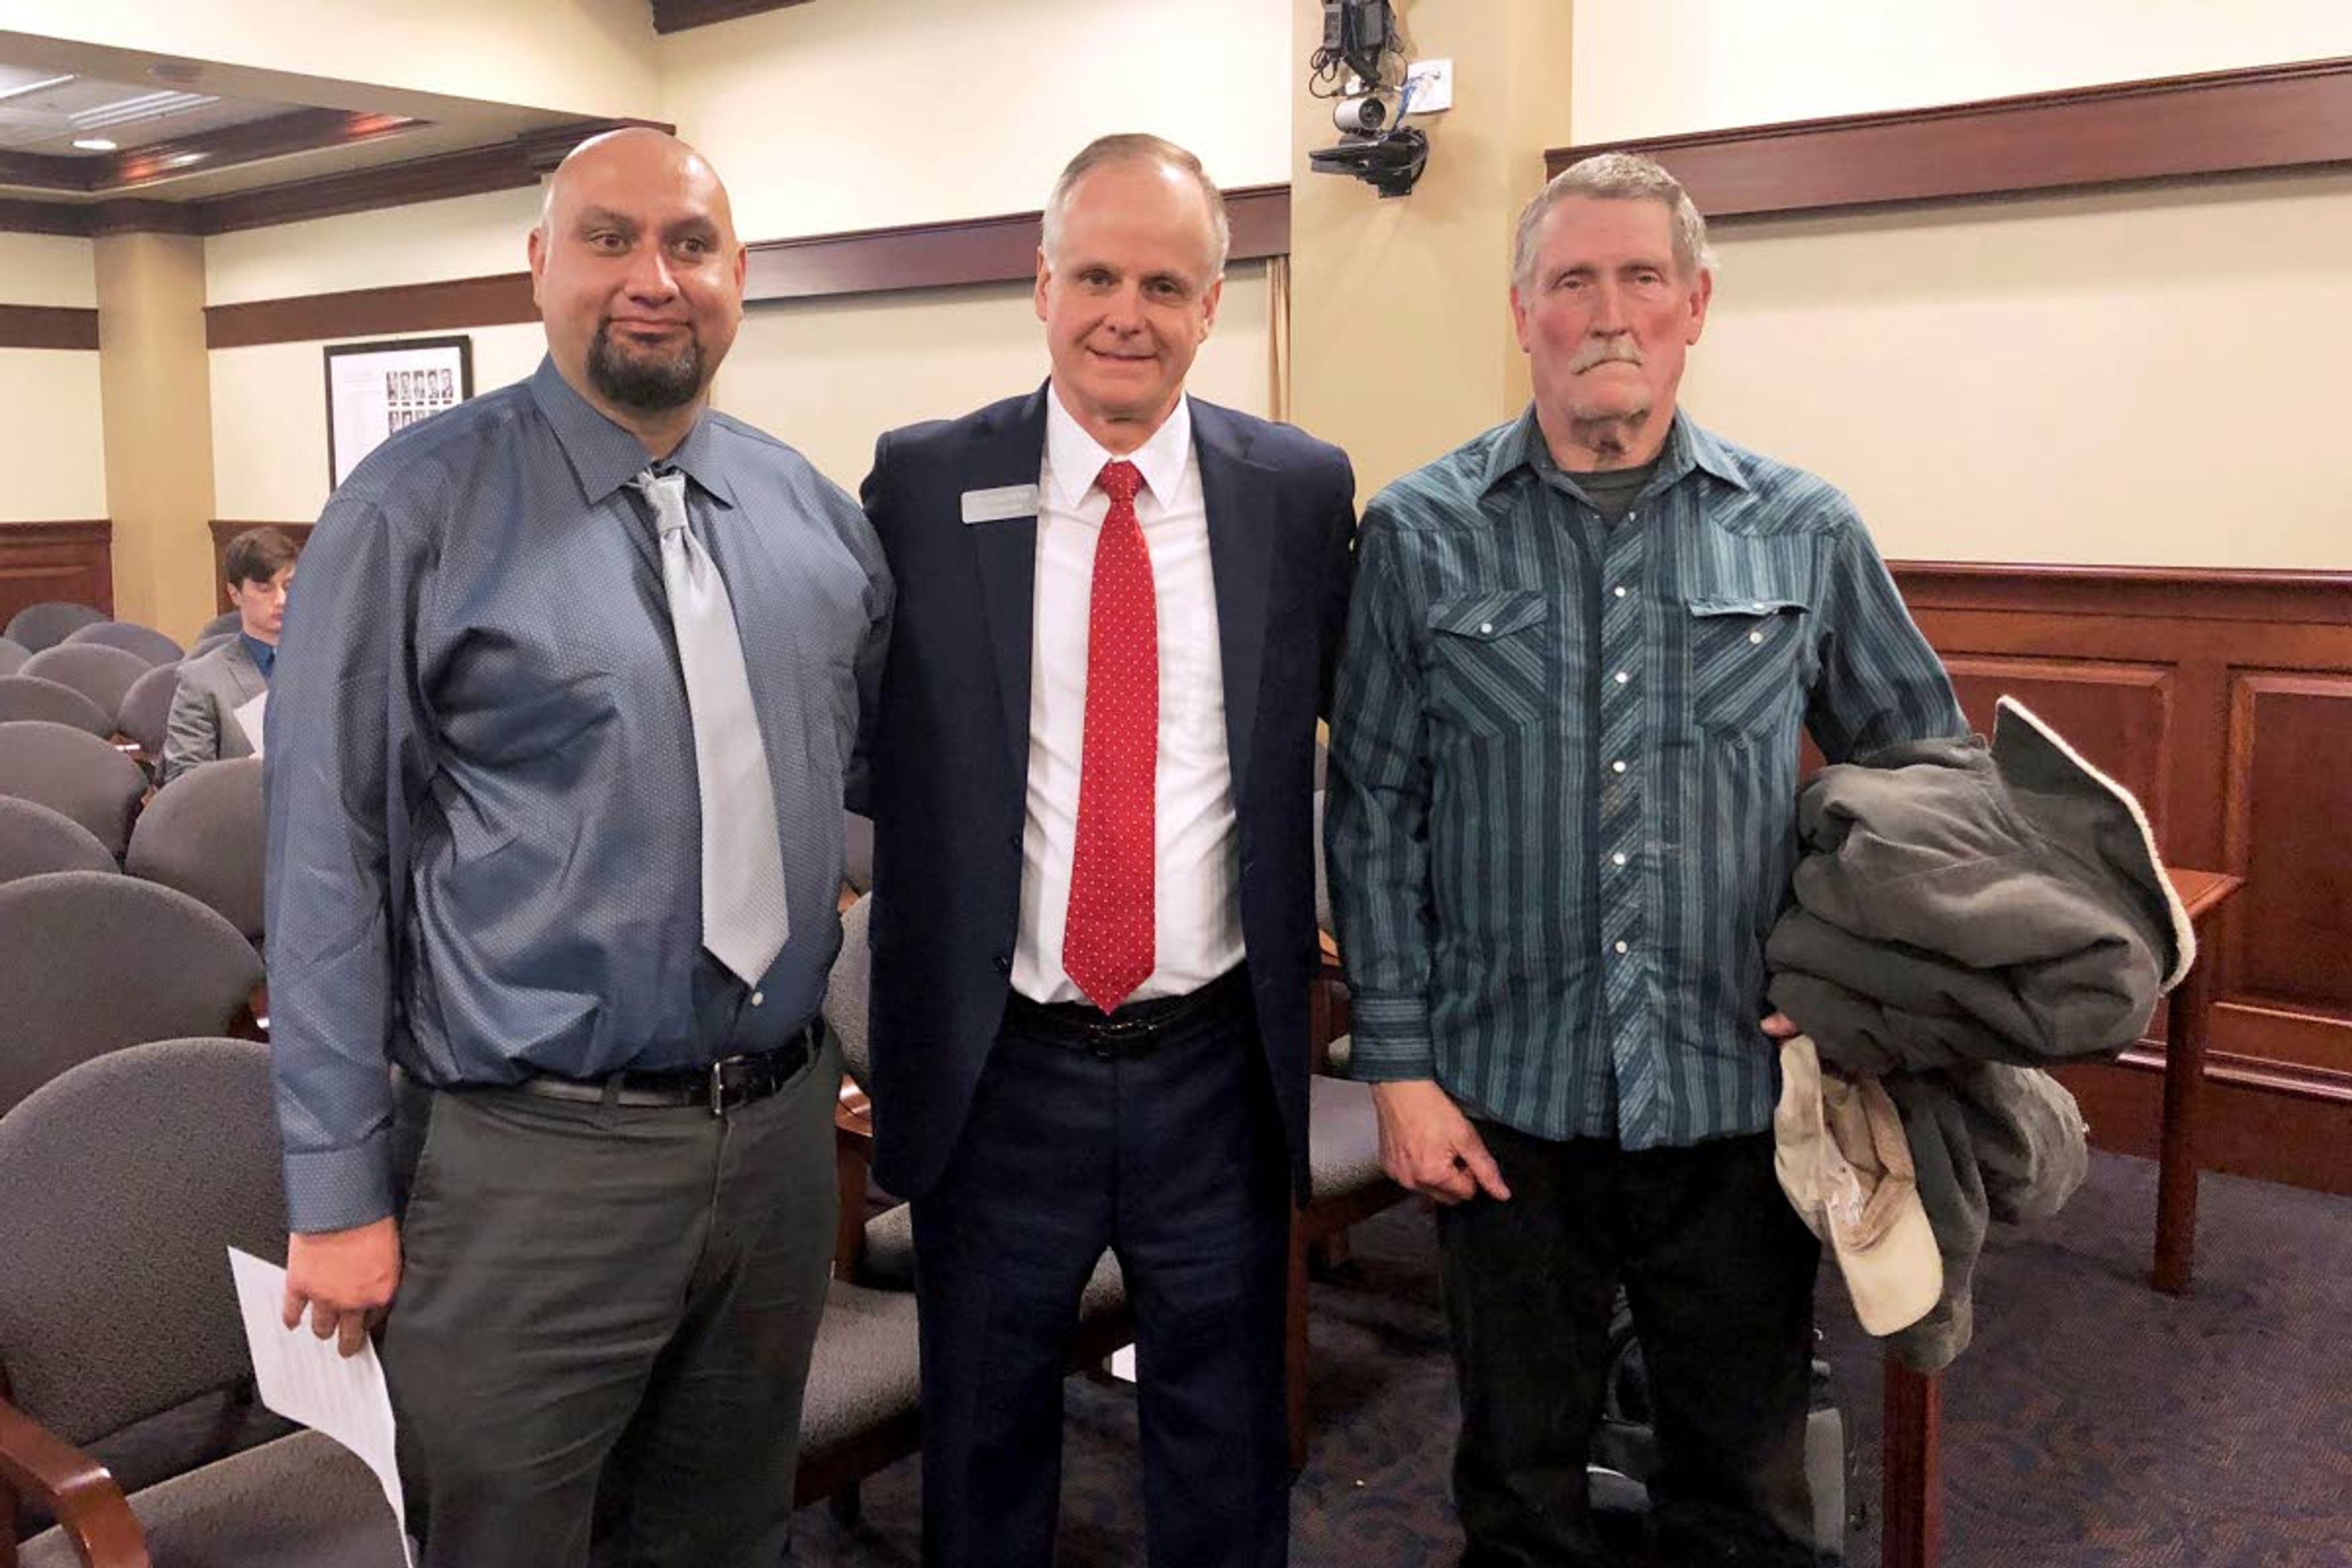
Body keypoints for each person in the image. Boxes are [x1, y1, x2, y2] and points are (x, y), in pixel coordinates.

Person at [1322, 151, 1966, 1567]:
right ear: (1521, 312)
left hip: (1730, 1096)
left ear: (1693, 305)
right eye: (1570, 281)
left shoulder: (1802, 526)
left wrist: (1859, 979)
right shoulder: (1421, 535)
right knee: (1516, 1481)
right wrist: (1399, 1063)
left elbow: (1922, 778)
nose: (1605, 312)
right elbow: (1372, 805)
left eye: (1638, 278)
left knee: (1739, 1490)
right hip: (1500, 1106)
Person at [265, 127, 891, 1568]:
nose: (651, 279)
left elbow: (872, 786)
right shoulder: (410, 510)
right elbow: (321, 866)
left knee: (725, 1530)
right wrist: (337, 1189)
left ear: (739, 276)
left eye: (688, 244)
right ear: (539, 266)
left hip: (782, 1136)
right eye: (608, 240)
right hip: (530, 1158)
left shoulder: (810, 514)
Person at [858, 132, 1355, 1567]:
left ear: (1213, 304)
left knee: (1224, 1443)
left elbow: (1358, 745)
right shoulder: (921, 482)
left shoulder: (1296, 491)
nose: (1122, 312)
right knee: (983, 1444)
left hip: (1214, 1064)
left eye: (1162, 280)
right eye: (1092, 275)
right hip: (999, 1066)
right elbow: (859, 738)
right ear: (1038, 285)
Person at [157, 525, 297, 785]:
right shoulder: (201, 681)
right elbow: (184, 784)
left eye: (289, 586)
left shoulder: (326, 667)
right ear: (235, 594)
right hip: (246, 814)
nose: (281, 600)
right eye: (265, 588)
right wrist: (243, 775)